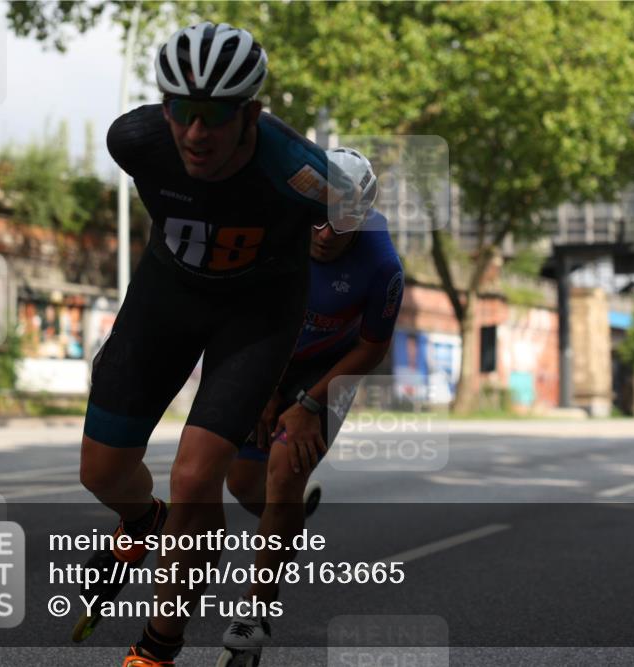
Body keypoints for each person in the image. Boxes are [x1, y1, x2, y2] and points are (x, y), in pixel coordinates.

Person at [75, 21, 333, 667]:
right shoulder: (134, 139)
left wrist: (293, 381)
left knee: (195, 479)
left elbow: (343, 255)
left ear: (251, 113)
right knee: (101, 472)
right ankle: (144, 519)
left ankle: (158, 644)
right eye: (181, 110)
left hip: (256, 316)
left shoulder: (303, 174)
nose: (195, 132)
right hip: (166, 299)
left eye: (215, 115)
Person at [218, 147, 405, 661]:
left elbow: (372, 348)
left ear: (361, 219)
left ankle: (254, 617)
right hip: (274, 351)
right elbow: (255, 318)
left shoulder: (382, 264)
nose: (324, 234)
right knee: (243, 484)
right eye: (317, 218)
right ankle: (289, 520)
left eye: (340, 224)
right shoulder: (279, 230)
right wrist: (266, 388)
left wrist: (306, 405)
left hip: (331, 370)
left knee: (283, 469)